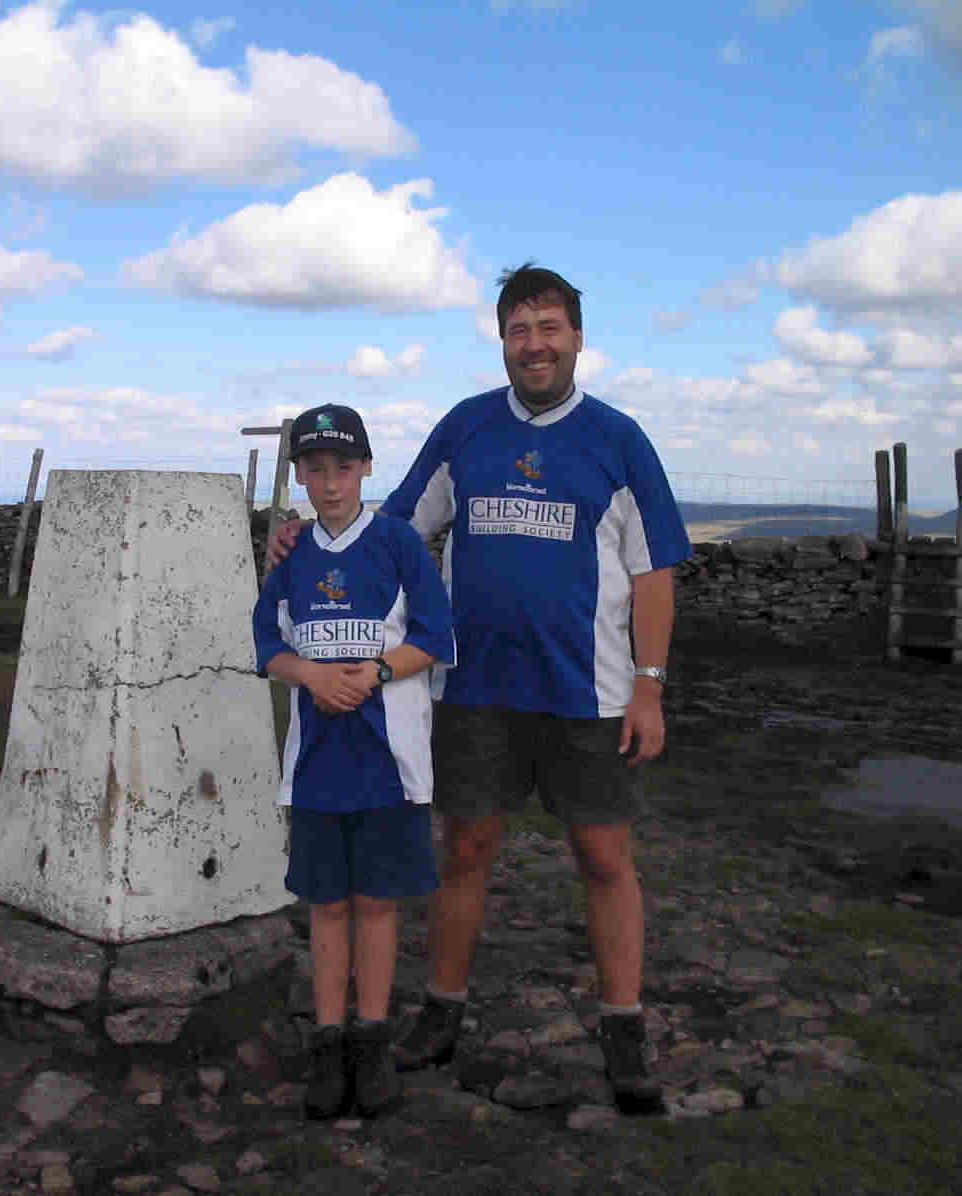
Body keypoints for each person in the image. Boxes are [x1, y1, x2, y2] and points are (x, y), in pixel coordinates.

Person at [271, 264, 691, 1113]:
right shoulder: (466, 430)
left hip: (592, 693)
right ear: (501, 340)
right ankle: (442, 1013)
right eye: (518, 329)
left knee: (605, 858)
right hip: (475, 691)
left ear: (577, 335)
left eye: (548, 327)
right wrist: (306, 542)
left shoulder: (619, 440)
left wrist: (649, 686)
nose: (534, 344)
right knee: (464, 851)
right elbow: (388, 530)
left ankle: (624, 1032)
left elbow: (654, 572)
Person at [253, 403, 456, 1120]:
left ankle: (372, 1040)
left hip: (392, 762)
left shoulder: (398, 545)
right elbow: (267, 645)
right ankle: (329, 1042)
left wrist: (370, 671)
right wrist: (310, 676)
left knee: (376, 903)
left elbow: (434, 635)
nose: (331, 482)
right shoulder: (292, 555)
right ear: (300, 474)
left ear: (367, 466)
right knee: (327, 907)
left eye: (344, 466)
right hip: (315, 767)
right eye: (315, 469)